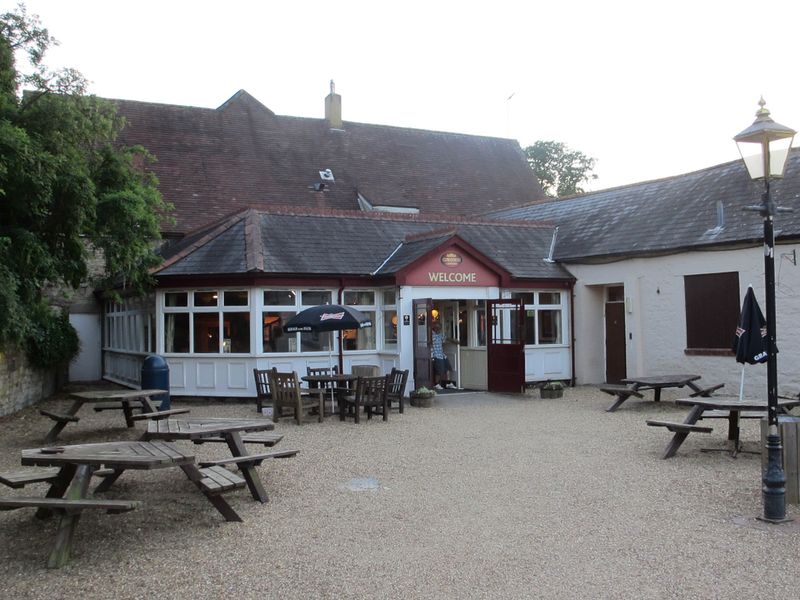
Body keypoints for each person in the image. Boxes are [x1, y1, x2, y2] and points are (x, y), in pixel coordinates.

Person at [431, 322, 457, 390]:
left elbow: (446, 338)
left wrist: (456, 341)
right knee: (439, 371)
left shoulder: (440, 335)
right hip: (436, 355)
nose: (438, 330)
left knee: (448, 368)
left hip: (442, 355)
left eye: (439, 328)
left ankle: (448, 383)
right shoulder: (431, 335)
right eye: (437, 328)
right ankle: (436, 384)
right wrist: (432, 355)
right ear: (434, 328)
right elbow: (429, 344)